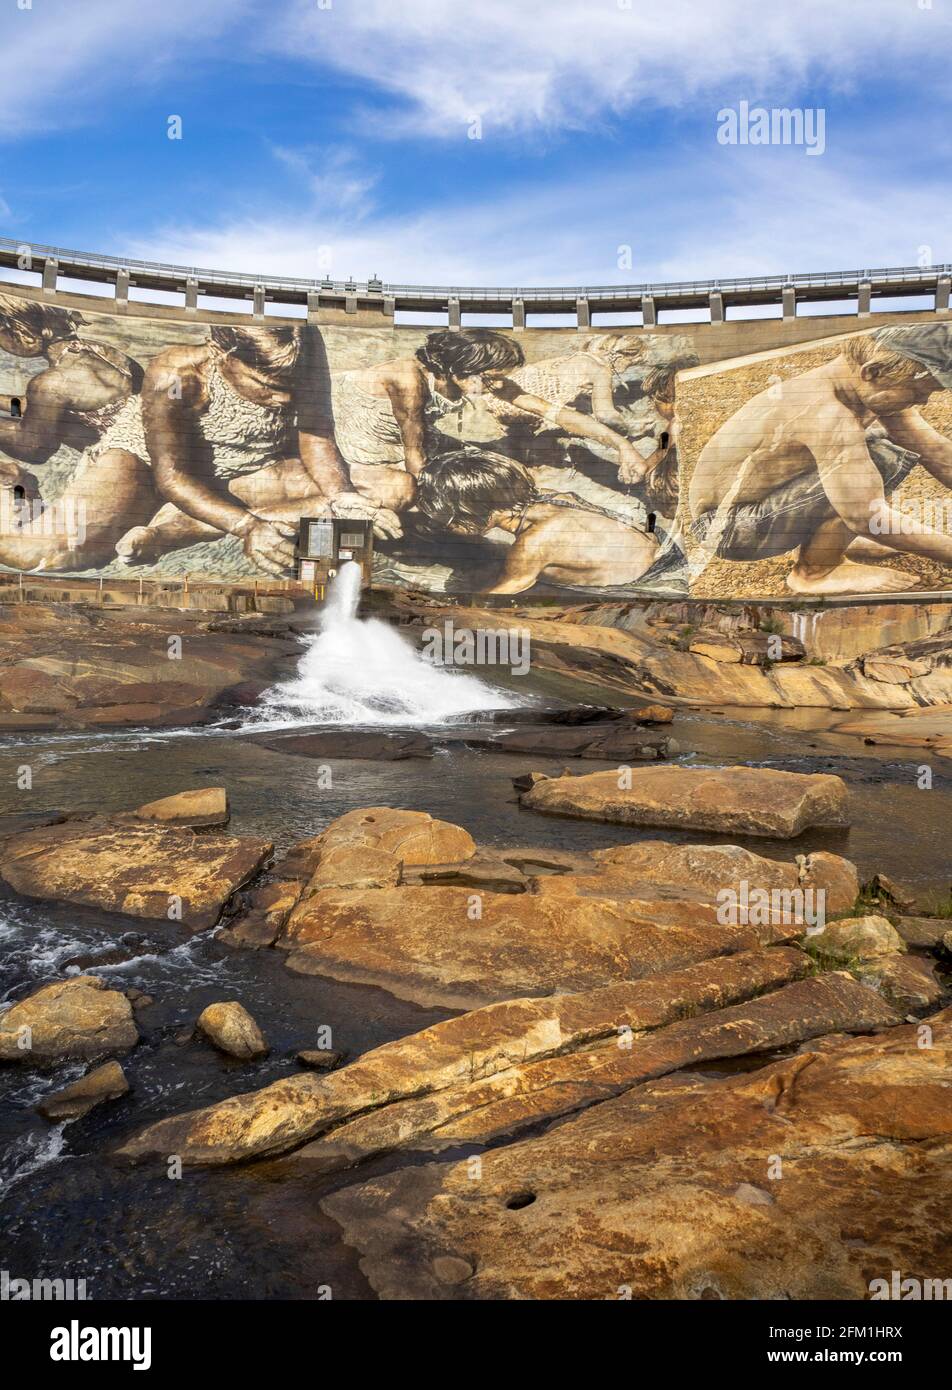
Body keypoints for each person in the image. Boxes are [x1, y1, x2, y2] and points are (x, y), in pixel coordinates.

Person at [114, 325, 400, 576]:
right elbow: (172, 477)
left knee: (390, 490)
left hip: (260, 466)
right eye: (267, 385)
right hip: (168, 461)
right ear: (219, 353)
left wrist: (342, 497)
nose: (286, 399)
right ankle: (186, 519)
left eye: (292, 386)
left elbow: (316, 432)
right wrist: (245, 527)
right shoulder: (174, 373)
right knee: (71, 548)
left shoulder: (303, 343)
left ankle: (179, 530)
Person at [688, 324, 952, 594]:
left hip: (758, 507)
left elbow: (933, 449)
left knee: (864, 456)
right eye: (918, 391)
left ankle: (825, 541)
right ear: (872, 371)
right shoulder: (825, 412)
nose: (923, 402)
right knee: (882, 458)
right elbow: (864, 515)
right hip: (728, 530)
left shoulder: (863, 389)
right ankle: (814, 571)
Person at [0, 293, 157, 570]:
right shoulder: (103, 354)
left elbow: (34, 449)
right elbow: (46, 407)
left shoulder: (50, 383)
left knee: (28, 552)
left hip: (122, 464)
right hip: (144, 454)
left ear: (22, 334)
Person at [414, 448, 667, 594]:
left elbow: (492, 599)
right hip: (657, 548)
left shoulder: (531, 545)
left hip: (648, 581)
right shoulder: (554, 497)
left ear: (471, 511)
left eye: (447, 521)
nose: (447, 528)